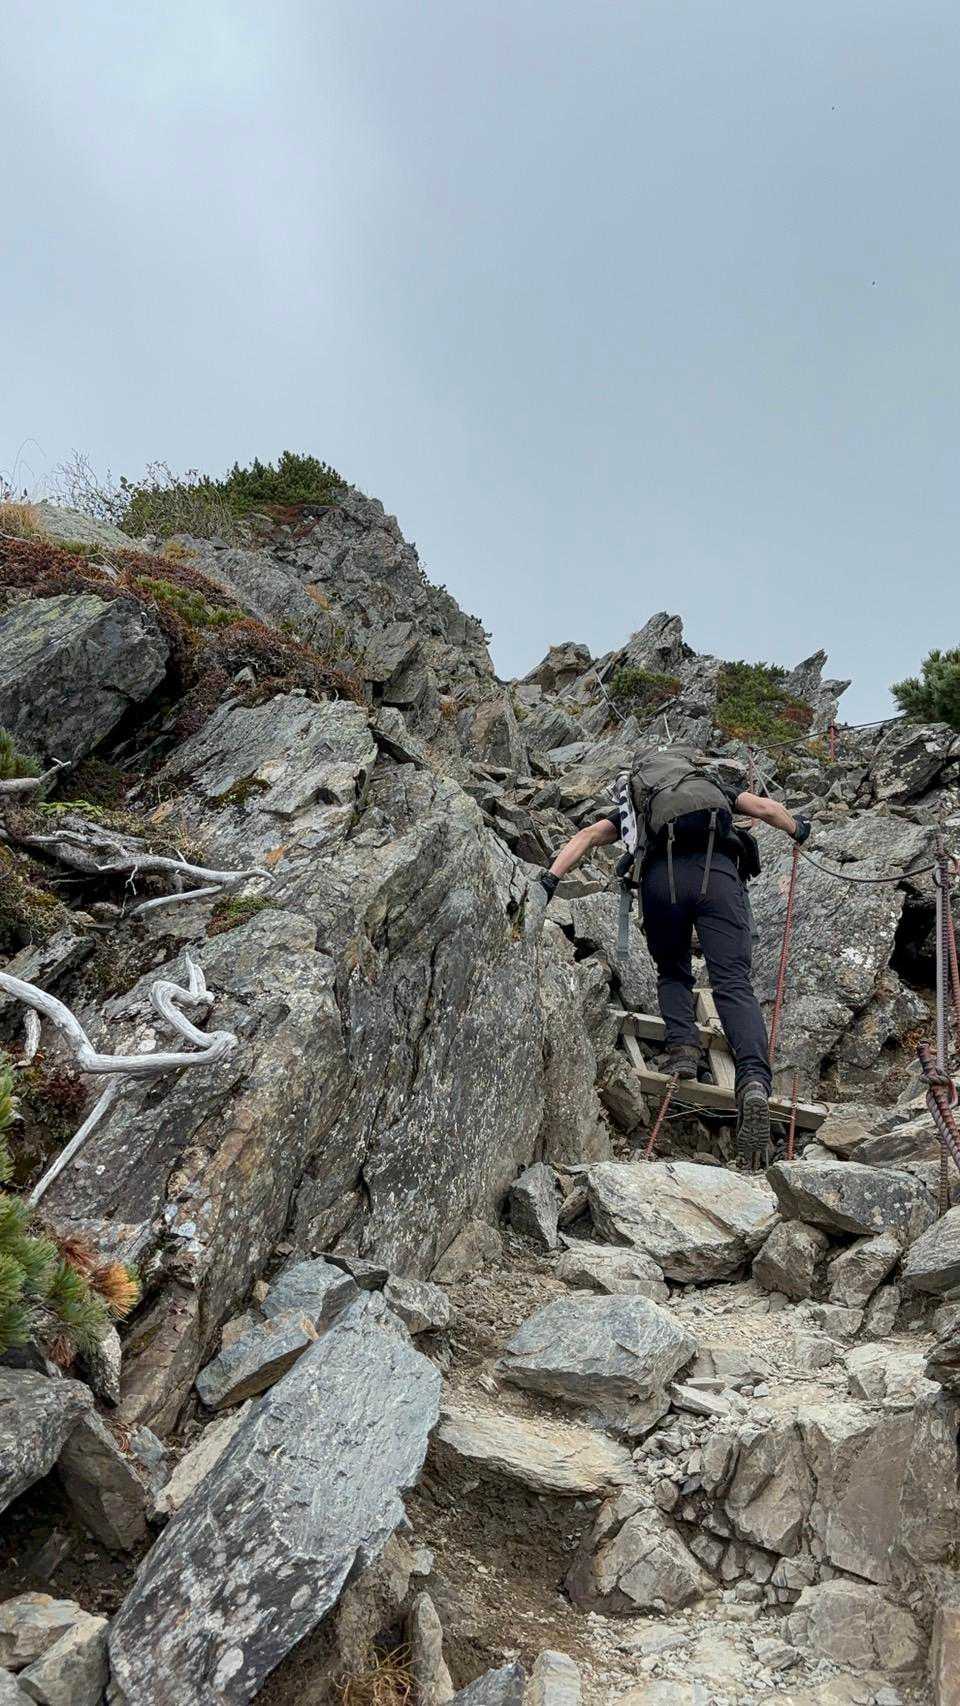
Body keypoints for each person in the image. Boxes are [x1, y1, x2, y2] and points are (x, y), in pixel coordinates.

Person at [538, 750, 810, 1166]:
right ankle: (754, 1081)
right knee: (732, 982)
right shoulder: (714, 789)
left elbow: (587, 836)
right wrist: (799, 829)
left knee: (672, 970)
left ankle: (683, 1051)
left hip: (661, 881)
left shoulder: (640, 804)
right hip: (718, 876)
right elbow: (767, 809)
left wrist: (549, 880)